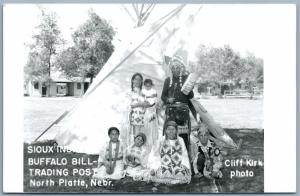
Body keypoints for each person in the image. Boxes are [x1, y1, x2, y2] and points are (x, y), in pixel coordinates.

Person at [161, 54, 197, 150]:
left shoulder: (186, 79)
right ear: (171, 69)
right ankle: (168, 156)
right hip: (171, 113)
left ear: (181, 68)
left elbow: (191, 96)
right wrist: (168, 100)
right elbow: (163, 96)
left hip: (183, 113)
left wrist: (190, 89)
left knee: (183, 135)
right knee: (170, 134)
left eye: (177, 67)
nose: (175, 69)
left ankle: (184, 159)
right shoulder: (168, 80)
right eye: (173, 68)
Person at [141, 79, 160, 148]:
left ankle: (153, 144)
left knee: (153, 127)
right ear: (144, 85)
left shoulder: (154, 91)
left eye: (149, 85)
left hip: (152, 111)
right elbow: (142, 101)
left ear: (151, 85)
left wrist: (150, 104)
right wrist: (145, 103)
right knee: (146, 127)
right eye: (146, 85)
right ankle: (146, 143)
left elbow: (155, 101)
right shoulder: (143, 91)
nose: (148, 86)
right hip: (145, 112)